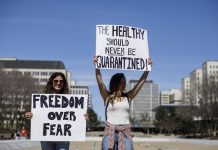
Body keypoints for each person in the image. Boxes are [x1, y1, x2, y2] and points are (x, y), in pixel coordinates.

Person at [93, 56, 153, 150]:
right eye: (122, 82)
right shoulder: (107, 97)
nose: (124, 84)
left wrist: (147, 70)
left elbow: (140, 84)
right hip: (110, 132)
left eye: (125, 82)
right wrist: (97, 67)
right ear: (116, 83)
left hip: (125, 132)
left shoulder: (128, 97)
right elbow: (100, 82)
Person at [25, 72, 88, 150]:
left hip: (63, 139)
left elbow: (74, 117)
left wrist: (83, 117)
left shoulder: (70, 101)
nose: (58, 83)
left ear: (64, 83)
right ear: (52, 82)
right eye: (56, 81)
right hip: (46, 138)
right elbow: (39, 116)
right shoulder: (43, 99)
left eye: (61, 81)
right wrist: (32, 115)